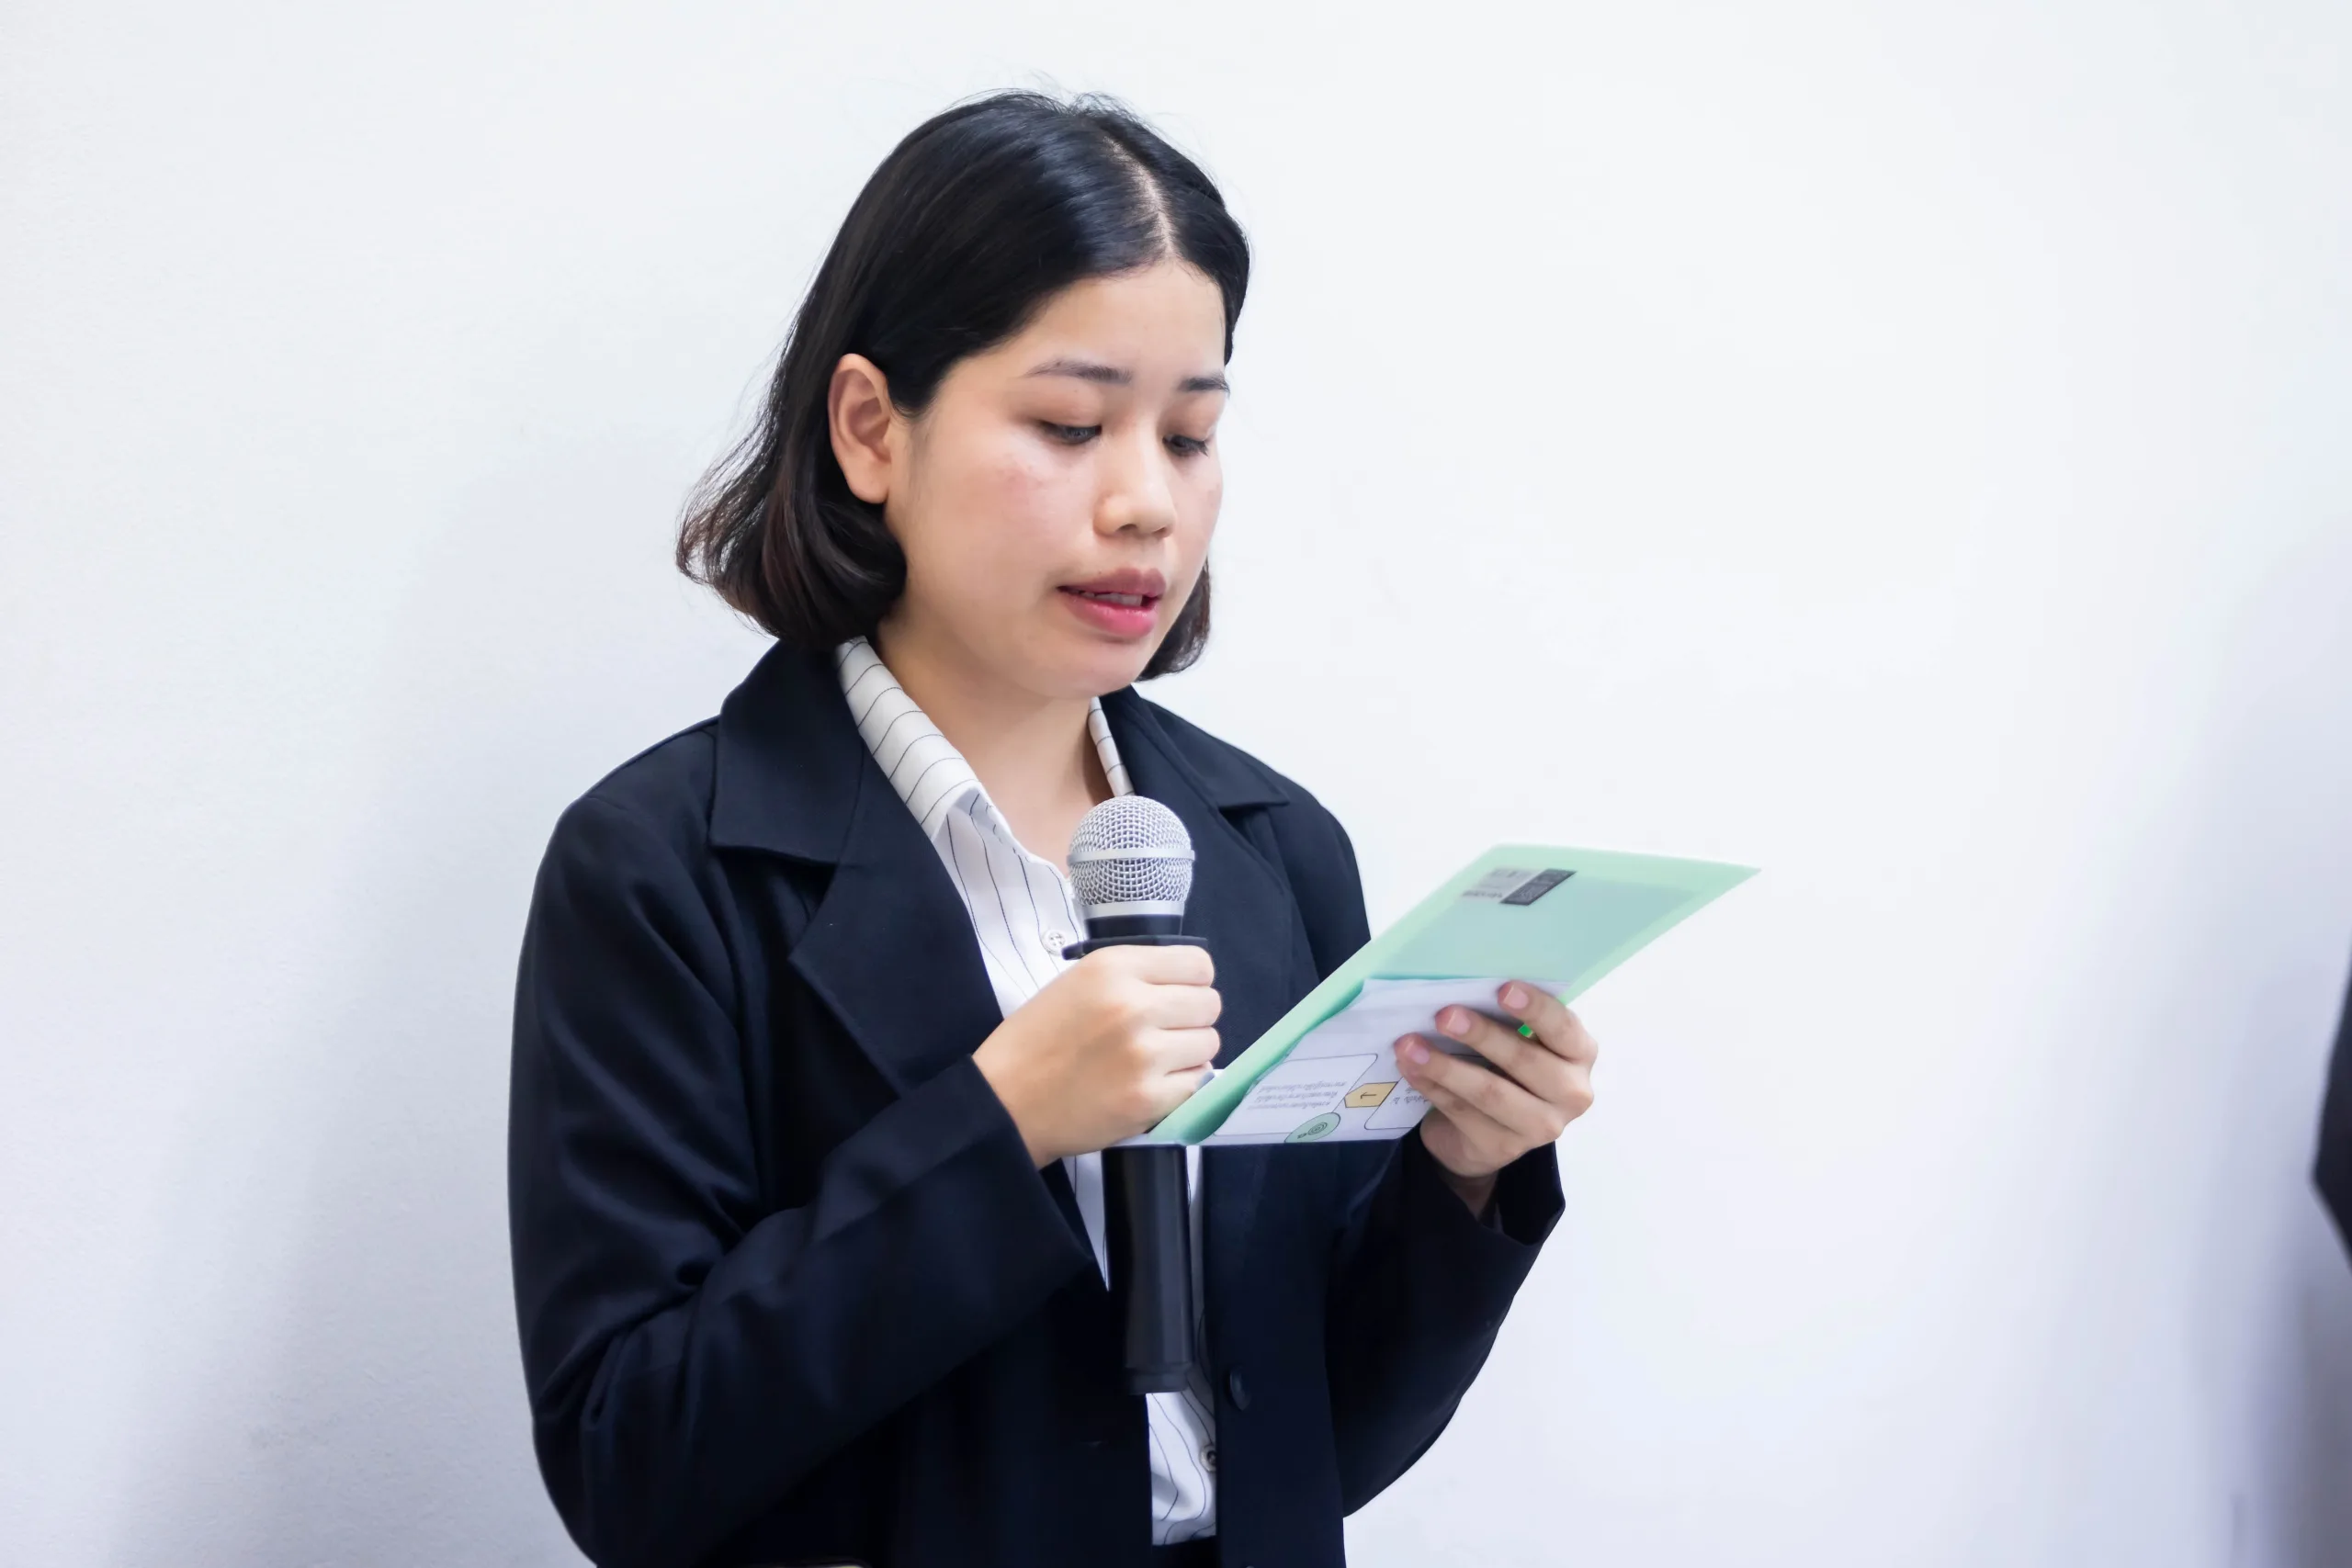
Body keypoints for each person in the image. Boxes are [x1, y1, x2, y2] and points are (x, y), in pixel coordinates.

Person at [507, 91, 1598, 1568]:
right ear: (871, 428)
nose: (1147, 503)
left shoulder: (1278, 847)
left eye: (1191, 434)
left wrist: (1465, 1174)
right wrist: (997, 1121)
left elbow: (1320, 1441)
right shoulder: (662, 867)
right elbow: (629, 1463)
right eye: (1071, 425)